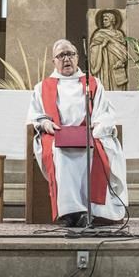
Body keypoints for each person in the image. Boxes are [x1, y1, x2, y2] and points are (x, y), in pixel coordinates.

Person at [28, 39, 128, 226]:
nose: (66, 59)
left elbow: (105, 112)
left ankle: (90, 211)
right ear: (54, 61)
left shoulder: (92, 83)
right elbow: (35, 115)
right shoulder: (43, 87)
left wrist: (97, 126)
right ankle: (70, 212)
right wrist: (44, 123)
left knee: (93, 151)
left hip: (89, 135)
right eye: (61, 55)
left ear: (77, 57)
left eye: (70, 54)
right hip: (57, 136)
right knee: (61, 153)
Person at [89, 9, 128, 91]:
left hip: (117, 65)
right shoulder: (99, 34)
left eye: (106, 19)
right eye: (103, 19)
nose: (103, 21)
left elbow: (123, 50)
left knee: (118, 90)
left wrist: (122, 60)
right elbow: (93, 48)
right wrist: (102, 46)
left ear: (112, 20)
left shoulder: (119, 34)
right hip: (104, 65)